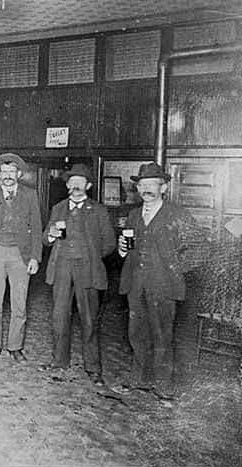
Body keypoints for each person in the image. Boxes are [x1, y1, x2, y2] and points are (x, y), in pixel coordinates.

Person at [114, 162, 207, 400]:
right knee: (136, 334)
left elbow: (201, 247)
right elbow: (129, 249)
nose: (146, 189)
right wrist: (122, 250)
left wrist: (175, 268)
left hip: (163, 287)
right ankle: (138, 379)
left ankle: (163, 387)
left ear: (163, 187)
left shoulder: (177, 215)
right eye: (142, 184)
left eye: (152, 185)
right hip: (136, 284)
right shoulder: (134, 215)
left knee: (162, 336)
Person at [41, 163, 116, 385]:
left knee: (89, 319)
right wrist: (52, 235)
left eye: (80, 182)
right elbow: (45, 238)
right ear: (67, 185)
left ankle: (93, 367)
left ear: (88, 185)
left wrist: (90, 256)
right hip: (62, 267)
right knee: (59, 316)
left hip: (88, 269)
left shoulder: (99, 210)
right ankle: (59, 361)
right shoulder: (58, 208)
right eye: (71, 182)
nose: (75, 186)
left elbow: (109, 243)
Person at [0, 153, 42, 361]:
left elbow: (37, 226)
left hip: (20, 254)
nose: (7, 176)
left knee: (19, 303)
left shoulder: (30, 195)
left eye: (11, 172)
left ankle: (15, 347)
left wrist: (35, 257)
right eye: (3, 172)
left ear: (19, 174)